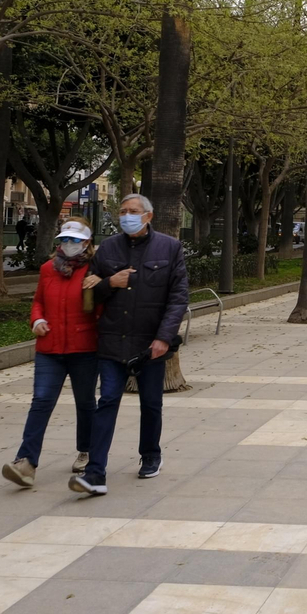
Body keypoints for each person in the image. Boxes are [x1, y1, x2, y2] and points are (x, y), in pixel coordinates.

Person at [69, 194, 188, 496]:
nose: (126, 216)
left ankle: (150, 455)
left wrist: (163, 338)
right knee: (107, 401)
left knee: (150, 404)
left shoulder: (169, 248)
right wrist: (111, 283)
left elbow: (178, 298)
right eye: (122, 211)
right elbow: (89, 295)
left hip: (149, 344)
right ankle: (95, 472)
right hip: (112, 342)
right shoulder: (107, 248)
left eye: (133, 211)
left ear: (148, 216)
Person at [2, 220, 100, 488]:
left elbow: (103, 308)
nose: (68, 245)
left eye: (74, 240)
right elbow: (38, 302)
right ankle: (26, 462)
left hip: (84, 349)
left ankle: (86, 450)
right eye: (64, 240)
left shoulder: (95, 270)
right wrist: (36, 320)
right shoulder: (48, 269)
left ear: (86, 243)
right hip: (50, 348)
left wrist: (101, 286)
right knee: (41, 401)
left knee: (85, 402)